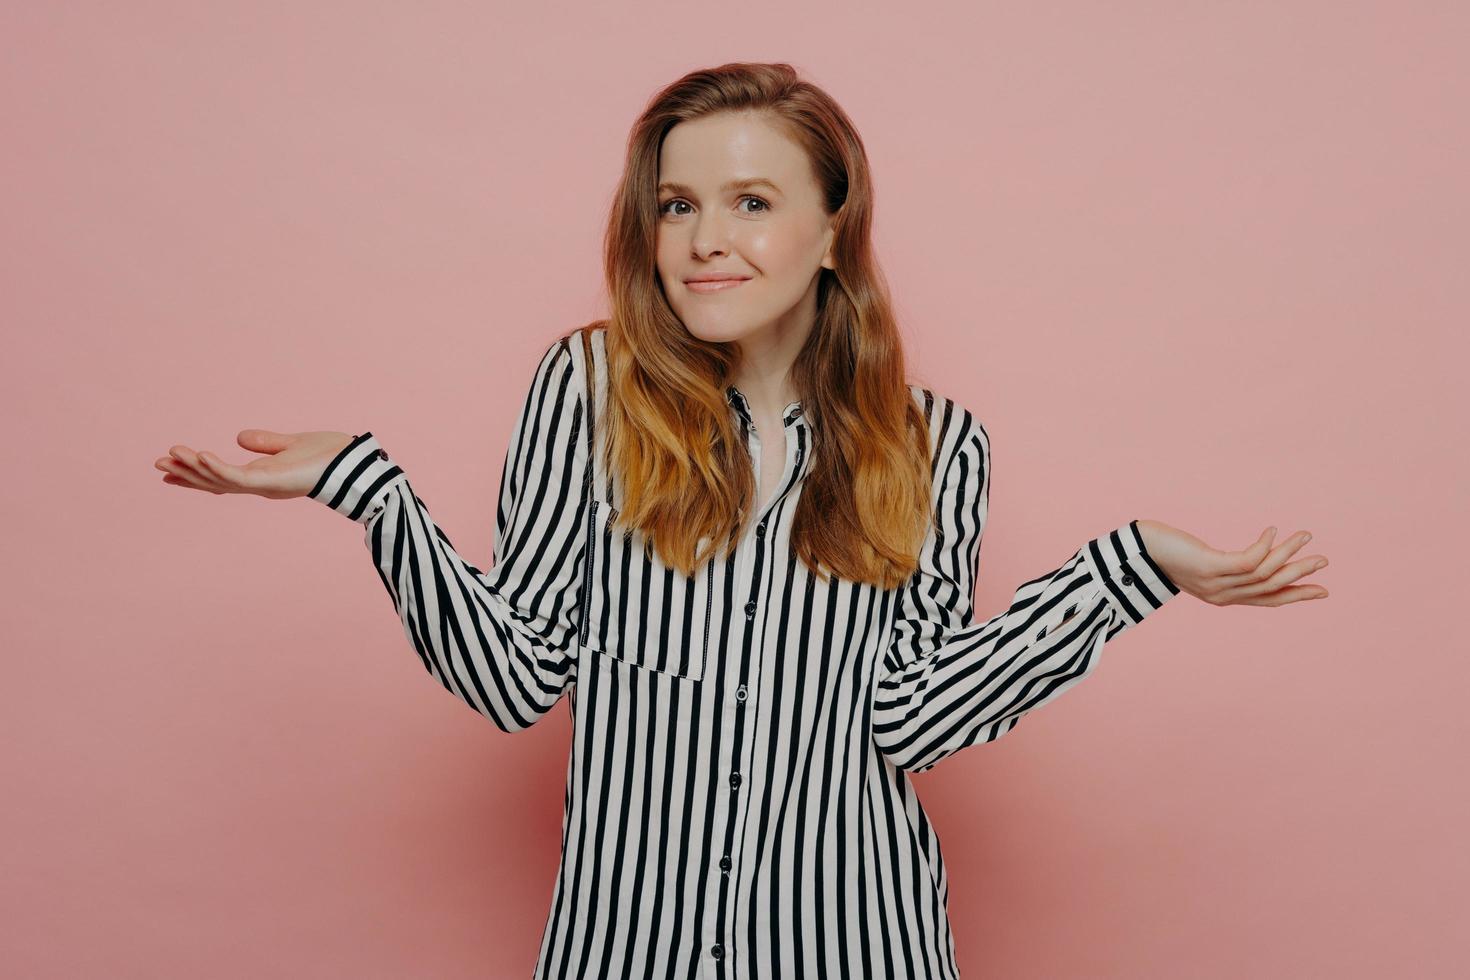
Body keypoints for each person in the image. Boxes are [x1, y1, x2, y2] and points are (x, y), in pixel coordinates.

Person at [156, 62, 1329, 980]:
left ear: (833, 231)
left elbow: (913, 714)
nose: (705, 237)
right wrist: (370, 490)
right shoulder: (591, 391)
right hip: (627, 946)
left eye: (752, 202)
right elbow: (515, 676)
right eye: (676, 204)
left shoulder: (931, 442)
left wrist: (1130, 568)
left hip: (861, 938)